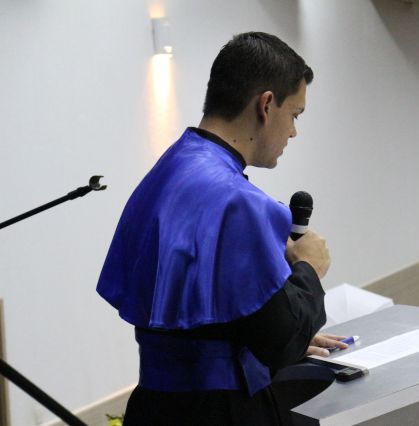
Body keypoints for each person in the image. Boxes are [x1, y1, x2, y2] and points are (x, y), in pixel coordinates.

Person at [96, 32, 347, 425]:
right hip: (219, 411)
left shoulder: (168, 171)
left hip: (153, 406)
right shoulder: (236, 201)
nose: (293, 132)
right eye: (295, 115)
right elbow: (281, 341)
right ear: (266, 104)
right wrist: (309, 268)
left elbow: (207, 318)